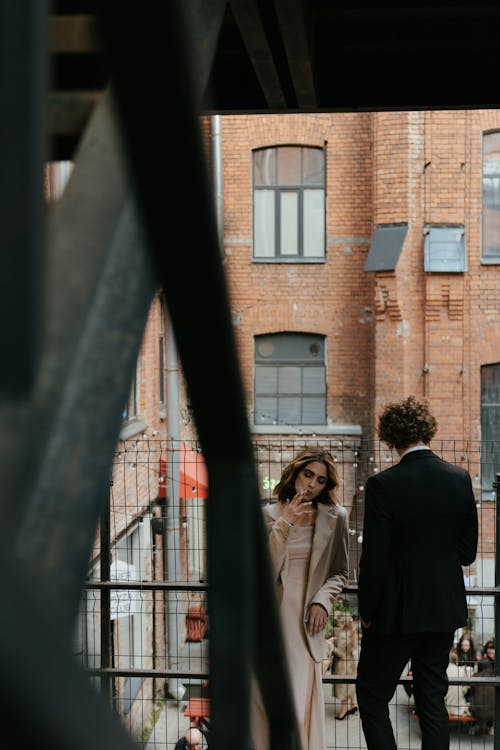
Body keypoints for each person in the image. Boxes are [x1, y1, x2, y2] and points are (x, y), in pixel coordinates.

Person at [355, 396, 478, 750]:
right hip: (441, 610)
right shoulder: (459, 479)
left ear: (391, 437)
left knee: (372, 696)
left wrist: (367, 610)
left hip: (394, 614)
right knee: (432, 701)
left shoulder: (383, 484)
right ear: (428, 431)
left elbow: (374, 559)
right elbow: (467, 554)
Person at [251, 448, 349, 750]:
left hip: (305, 626)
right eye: (308, 475)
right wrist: (285, 523)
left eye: (320, 480)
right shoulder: (267, 515)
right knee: (262, 705)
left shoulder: (335, 518)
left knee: (294, 702)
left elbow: (340, 572)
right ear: (295, 472)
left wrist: (322, 600)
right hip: (267, 622)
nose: (311, 484)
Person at [330, 610, 359, 720]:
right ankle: (353, 705)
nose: (337, 623)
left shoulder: (342, 634)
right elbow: (352, 649)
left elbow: (341, 653)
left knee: (343, 689)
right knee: (350, 686)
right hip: (351, 663)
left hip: (343, 665)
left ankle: (343, 711)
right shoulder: (352, 633)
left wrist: (330, 646)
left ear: (342, 622)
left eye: (338, 621)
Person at [469, 640, 495, 735]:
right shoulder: (483, 661)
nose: (491, 651)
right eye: (489, 649)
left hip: (478, 707)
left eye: (493, 649)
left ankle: (479, 725)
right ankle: (483, 725)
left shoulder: (485, 663)